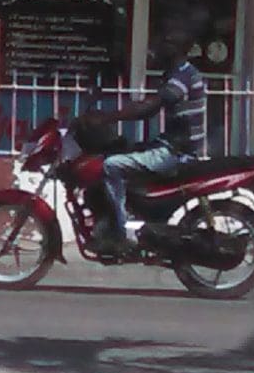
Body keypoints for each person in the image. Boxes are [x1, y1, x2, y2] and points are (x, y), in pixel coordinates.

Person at [82, 13, 207, 255]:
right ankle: (124, 217)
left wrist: (107, 117)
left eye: (165, 42)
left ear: (178, 47)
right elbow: (149, 106)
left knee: (111, 165)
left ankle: (123, 232)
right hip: (170, 145)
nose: (158, 47)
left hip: (176, 153)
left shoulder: (183, 76)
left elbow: (150, 107)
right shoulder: (176, 74)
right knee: (122, 149)